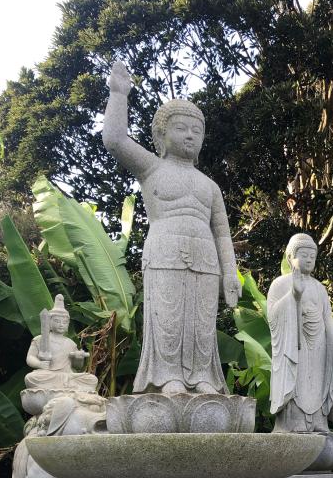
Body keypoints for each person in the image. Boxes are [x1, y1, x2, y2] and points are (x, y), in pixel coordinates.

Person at [102, 60, 240, 395]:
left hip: (206, 258)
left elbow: (222, 231)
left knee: (202, 322)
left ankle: (202, 377)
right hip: (165, 252)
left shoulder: (209, 186)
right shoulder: (152, 168)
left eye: (197, 130)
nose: (191, 135)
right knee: (169, 316)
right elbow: (116, 140)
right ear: (162, 134)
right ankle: (167, 377)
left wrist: (231, 271)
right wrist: (119, 94)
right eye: (182, 128)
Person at [267, 233, 333, 433]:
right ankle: (294, 421)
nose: (310, 259)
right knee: (297, 381)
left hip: (319, 345)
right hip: (294, 344)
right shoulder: (280, 284)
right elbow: (272, 317)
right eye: (304, 255)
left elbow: (327, 319)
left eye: (313, 255)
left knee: (317, 382)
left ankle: (319, 420)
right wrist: (293, 295)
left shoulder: (320, 289)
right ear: (290, 257)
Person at [24, 295, 97, 392]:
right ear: (49, 322)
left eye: (65, 322)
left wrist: (79, 358)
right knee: (31, 378)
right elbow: (30, 358)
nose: (61, 324)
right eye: (57, 321)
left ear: (68, 324)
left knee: (92, 379)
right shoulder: (40, 339)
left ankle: (65, 386)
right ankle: (66, 388)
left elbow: (77, 366)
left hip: (67, 375)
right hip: (48, 375)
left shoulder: (70, 343)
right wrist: (39, 364)